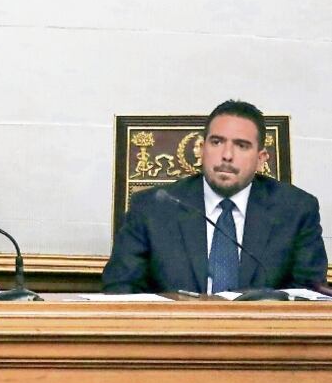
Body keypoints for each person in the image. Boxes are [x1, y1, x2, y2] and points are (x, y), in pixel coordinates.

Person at [103, 99, 328, 294]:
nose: (227, 155)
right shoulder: (152, 208)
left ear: (261, 159)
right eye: (217, 142)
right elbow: (120, 289)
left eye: (241, 146)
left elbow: (307, 295)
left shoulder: (296, 211)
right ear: (202, 149)